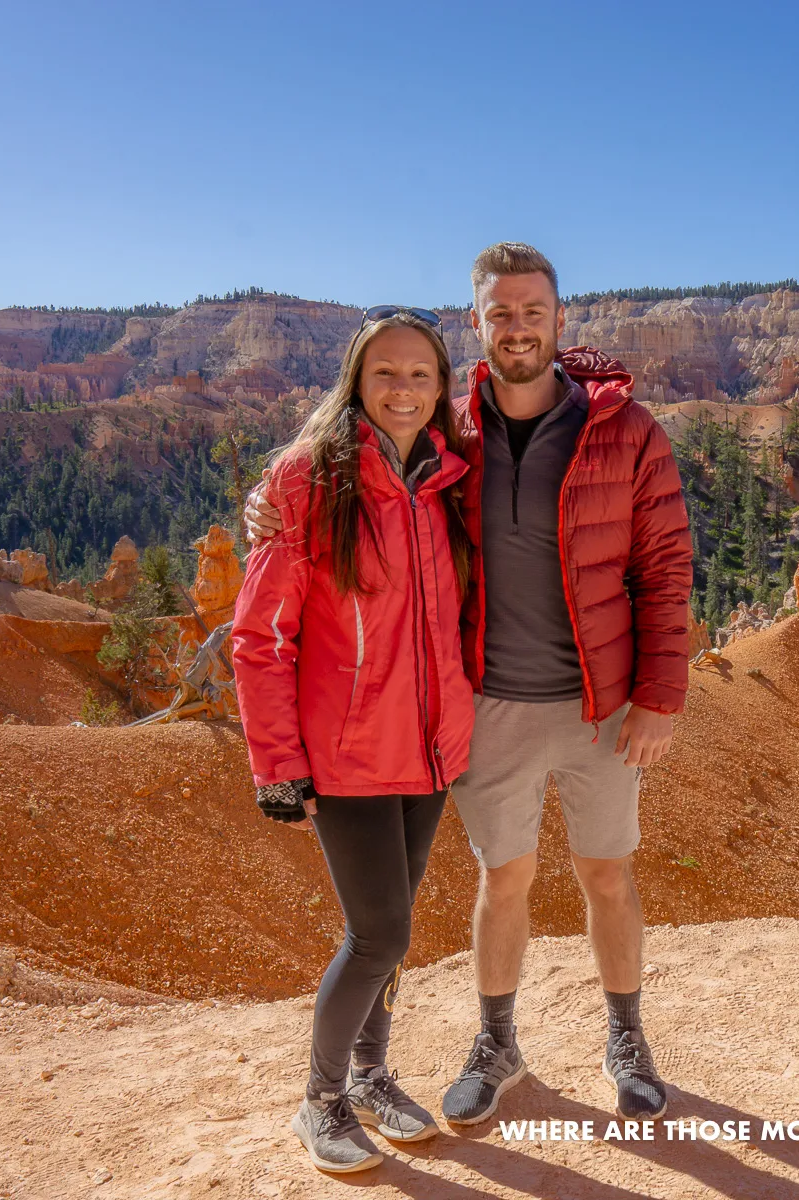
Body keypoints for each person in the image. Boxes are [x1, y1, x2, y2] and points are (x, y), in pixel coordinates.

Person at [247, 242, 693, 1126]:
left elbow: (666, 564)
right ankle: (497, 1044)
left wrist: (661, 693)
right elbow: (348, 462)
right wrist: (266, 497)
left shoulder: (626, 429)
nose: (518, 327)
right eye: (500, 314)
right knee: (505, 878)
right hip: (486, 703)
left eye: (533, 311)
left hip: (601, 705)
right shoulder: (454, 433)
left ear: (561, 318)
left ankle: (627, 1038)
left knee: (608, 873)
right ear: (477, 324)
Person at [232, 307, 474, 1172]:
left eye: (420, 374)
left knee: (395, 929)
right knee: (378, 934)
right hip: (346, 752)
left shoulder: (453, 477)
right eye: (385, 373)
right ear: (356, 382)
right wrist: (277, 766)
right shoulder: (307, 483)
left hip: (432, 746)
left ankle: (372, 1077)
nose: (403, 389)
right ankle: (320, 1100)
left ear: (443, 385)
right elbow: (262, 637)